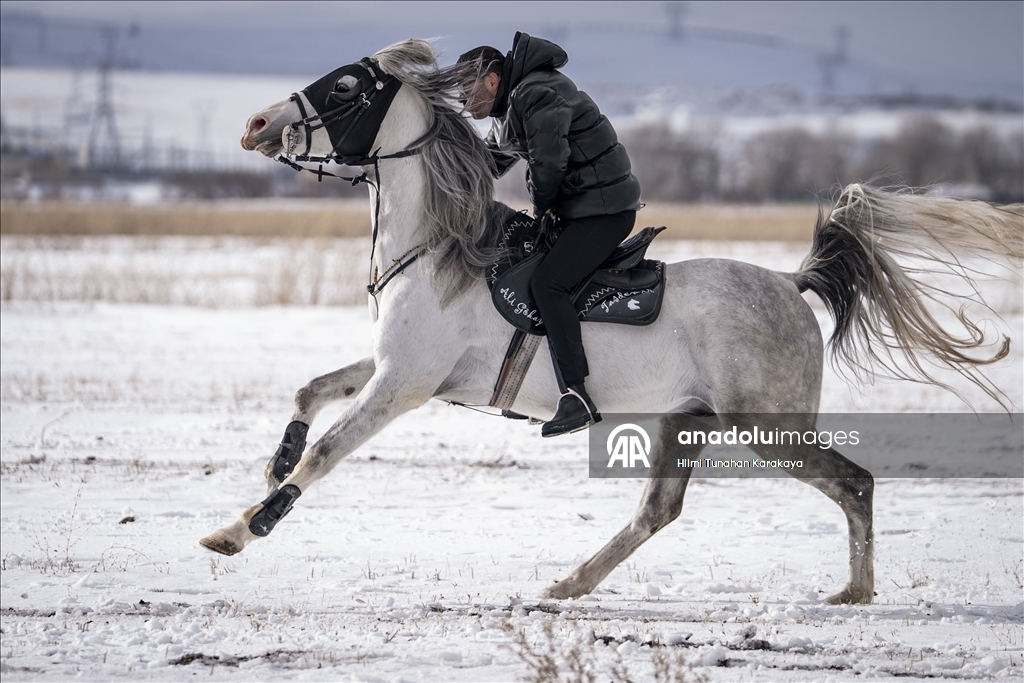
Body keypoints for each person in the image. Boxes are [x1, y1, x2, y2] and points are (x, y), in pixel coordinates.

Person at [457, 32, 642, 438]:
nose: (462, 101)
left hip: (604, 212)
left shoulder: (536, 92)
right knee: (519, 268)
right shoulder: (510, 108)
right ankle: (532, 390)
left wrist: (545, 213)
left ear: (491, 80)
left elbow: (549, 164)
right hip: (582, 209)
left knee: (547, 283)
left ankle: (576, 396)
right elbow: (487, 165)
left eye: (465, 89)